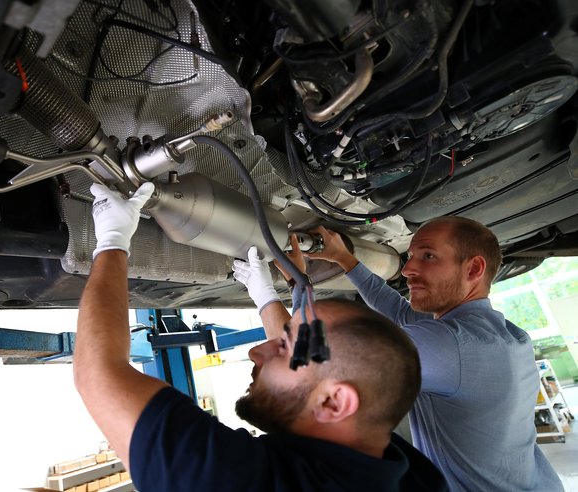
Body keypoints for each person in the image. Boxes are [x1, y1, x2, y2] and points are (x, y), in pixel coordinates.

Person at [73, 182, 449, 492]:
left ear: (335, 403)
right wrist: (268, 294)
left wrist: (112, 240)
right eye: (283, 341)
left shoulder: (244, 483)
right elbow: (311, 368)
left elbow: (99, 374)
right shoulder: (390, 461)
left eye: (283, 347)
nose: (256, 351)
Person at [233, 219, 564, 492]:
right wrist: (345, 259)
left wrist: (278, 289)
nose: (407, 270)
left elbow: (305, 361)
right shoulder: (505, 334)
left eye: (428, 257)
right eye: (411, 257)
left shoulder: (452, 346)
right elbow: (401, 314)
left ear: (474, 268)